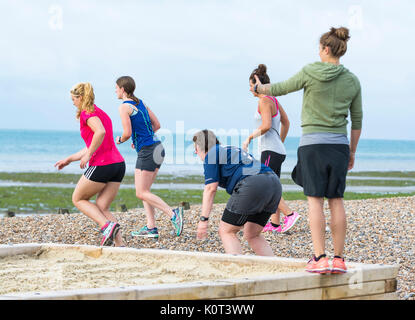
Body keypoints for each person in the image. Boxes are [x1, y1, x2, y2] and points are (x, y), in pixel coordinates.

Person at [251, 27, 362, 274]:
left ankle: (319, 257)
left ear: (325, 48)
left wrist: (259, 89)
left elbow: (281, 88)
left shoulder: (310, 71)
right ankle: (339, 258)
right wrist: (352, 151)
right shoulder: (352, 80)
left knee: (315, 201)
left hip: (312, 144)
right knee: (336, 200)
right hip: (339, 145)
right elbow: (357, 120)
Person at [55, 82, 126, 247]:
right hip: (118, 165)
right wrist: (69, 159)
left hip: (102, 164)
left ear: (80, 97)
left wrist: (88, 155)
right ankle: (120, 245)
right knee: (102, 206)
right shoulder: (99, 112)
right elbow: (94, 142)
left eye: (73, 99)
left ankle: (106, 226)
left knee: (78, 198)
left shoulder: (87, 114)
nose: (72, 102)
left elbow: (100, 133)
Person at [115, 76, 183, 239]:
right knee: (144, 191)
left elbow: (127, 133)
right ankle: (151, 227)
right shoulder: (141, 103)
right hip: (157, 147)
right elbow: (156, 125)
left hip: (147, 150)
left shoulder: (124, 107)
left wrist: (120, 139)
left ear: (123, 89)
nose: (115, 91)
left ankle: (172, 214)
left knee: (141, 192)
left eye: (116, 88)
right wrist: (139, 139)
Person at [194, 129, 282, 256]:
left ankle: (236, 267)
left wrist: (203, 221)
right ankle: (275, 268)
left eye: (195, 149)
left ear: (199, 147)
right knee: (252, 234)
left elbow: (210, 188)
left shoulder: (211, 154)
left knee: (226, 231)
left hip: (253, 183)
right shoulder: (230, 149)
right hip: (274, 183)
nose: (196, 152)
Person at [243, 64, 300, 234]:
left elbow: (267, 125)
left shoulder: (264, 100)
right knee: (273, 186)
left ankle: (290, 214)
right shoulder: (273, 99)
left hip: (270, 150)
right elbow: (286, 122)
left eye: (250, 85)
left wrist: (249, 137)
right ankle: (275, 224)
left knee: (268, 188)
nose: (249, 89)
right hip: (276, 150)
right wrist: (279, 142)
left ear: (257, 83)